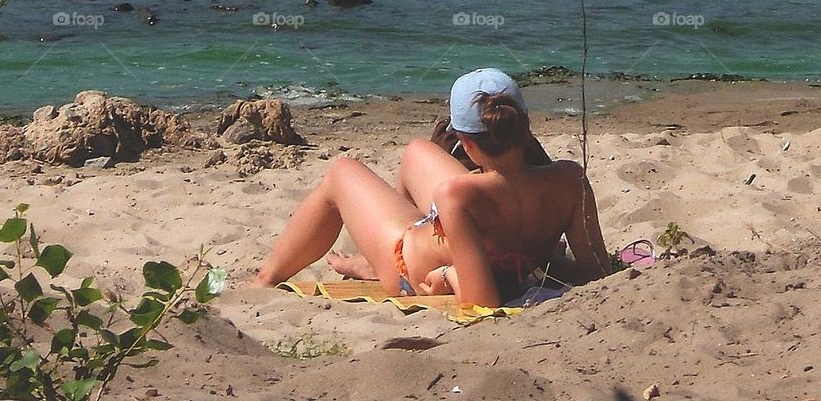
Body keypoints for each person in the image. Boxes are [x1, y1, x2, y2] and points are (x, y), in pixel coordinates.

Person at [250, 68, 612, 307]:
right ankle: (371, 261)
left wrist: (447, 275)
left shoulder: (458, 195)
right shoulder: (569, 179)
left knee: (342, 173)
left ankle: (266, 279)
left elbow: (481, 303)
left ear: (464, 144)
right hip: (509, 252)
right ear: (524, 126)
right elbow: (597, 271)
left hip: (408, 269)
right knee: (415, 153)